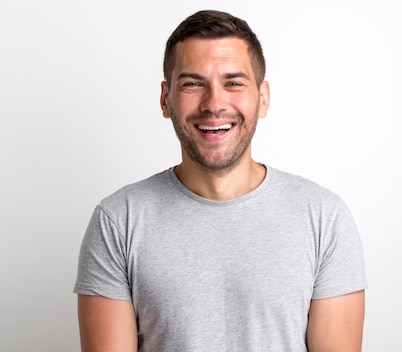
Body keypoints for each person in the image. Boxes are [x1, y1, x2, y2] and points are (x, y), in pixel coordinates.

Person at [73, 9, 367, 352]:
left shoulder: (323, 217)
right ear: (166, 99)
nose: (214, 103)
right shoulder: (118, 221)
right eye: (193, 83)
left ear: (263, 98)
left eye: (234, 83)